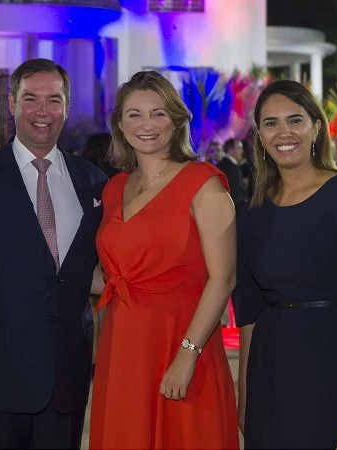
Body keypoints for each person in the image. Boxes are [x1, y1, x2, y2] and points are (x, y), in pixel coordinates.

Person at [0, 58, 107, 449]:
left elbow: (89, 270)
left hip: (67, 380)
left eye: (53, 100)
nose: (42, 112)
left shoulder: (92, 182)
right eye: (30, 99)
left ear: (67, 106)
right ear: (11, 103)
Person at [89, 71, 239, 449]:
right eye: (134, 114)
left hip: (183, 340)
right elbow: (107, 275)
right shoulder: (114, 188)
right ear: (120, 125)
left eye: (158, 113)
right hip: (122, 344)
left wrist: (187, 356)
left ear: (175, 119)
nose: (147, 125)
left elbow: (223, 279)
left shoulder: (204, 183)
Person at [233, 80, 337, 449]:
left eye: (295, 120)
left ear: (316, 128)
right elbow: (249, 312)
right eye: (271, 123)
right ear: (260, 136)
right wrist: (245, 391)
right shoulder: (254, 213)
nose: (283, 132)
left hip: (334, 363)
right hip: (271, 369)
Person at [217, 138, 247, 210]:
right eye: (239, 148)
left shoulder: (222, 164)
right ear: (230, 150)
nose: (242, 151)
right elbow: (234, 194)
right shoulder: (231, 167)